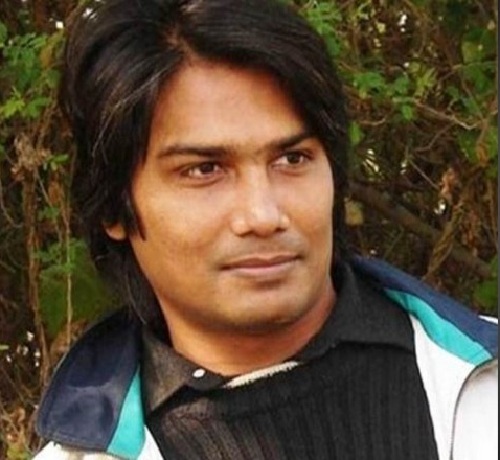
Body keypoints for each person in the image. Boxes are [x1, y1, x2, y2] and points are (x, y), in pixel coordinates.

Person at [34, 0, 497, 459]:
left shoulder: (476, 385)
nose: (262, 214)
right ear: (113, 207)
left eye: (292, 159)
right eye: (204, 170)